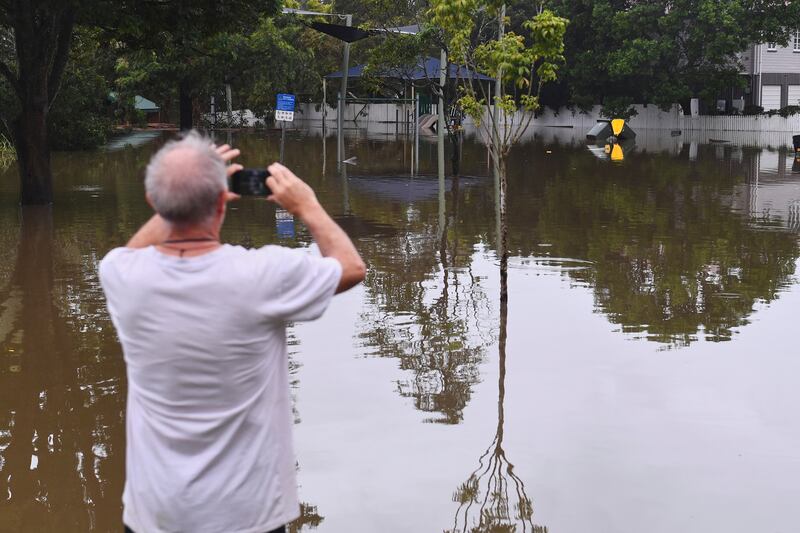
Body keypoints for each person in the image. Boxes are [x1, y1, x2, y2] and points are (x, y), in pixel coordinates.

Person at [99, 131, 366, 533]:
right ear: (222, 201)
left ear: (153, 203)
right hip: (246, 516)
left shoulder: (121, 274)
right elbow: (350, 267)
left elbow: (136, 250)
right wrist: (307, 204)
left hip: (154, 514)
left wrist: (186, 189)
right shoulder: (262, 275)